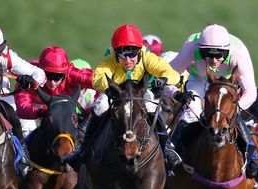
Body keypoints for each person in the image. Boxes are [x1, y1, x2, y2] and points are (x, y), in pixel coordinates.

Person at [167, 24, 258, 189]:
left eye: (219, 55)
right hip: (199, 81)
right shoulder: (191, 48)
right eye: (207, 54)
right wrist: (175, 93)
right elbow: (166, 76)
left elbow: (250, 93)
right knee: (190, 113)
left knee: (245, 125)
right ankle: (171, 151)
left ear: (227, 51)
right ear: (200, 50)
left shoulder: (238, 51)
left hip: (230, 86)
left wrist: (232, 110)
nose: (213, 59)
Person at [65, 24, 184, 170]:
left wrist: (164, 79)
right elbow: (98, 77)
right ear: (115, 53)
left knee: (152, 105)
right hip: (117, 93)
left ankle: (166, 150)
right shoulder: (110, 60)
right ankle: (82, 150)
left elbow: (171, 73)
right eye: (122, 54)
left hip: (140, 94)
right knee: (100, 105)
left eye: (132, 54)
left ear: (139, 51)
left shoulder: (147, 57)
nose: (127, 60)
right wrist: (109, 88)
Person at [15, 46, 94, 121]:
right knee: (27, 128)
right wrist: (45, 112)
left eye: (57, 77)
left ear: (65, 73)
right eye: (48, 76)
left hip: (57, 107)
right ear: (39, 71)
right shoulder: (28, 76)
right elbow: (22, 110)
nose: (52, 83)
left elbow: (96, 80)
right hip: (35, 108)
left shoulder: (71, 73)